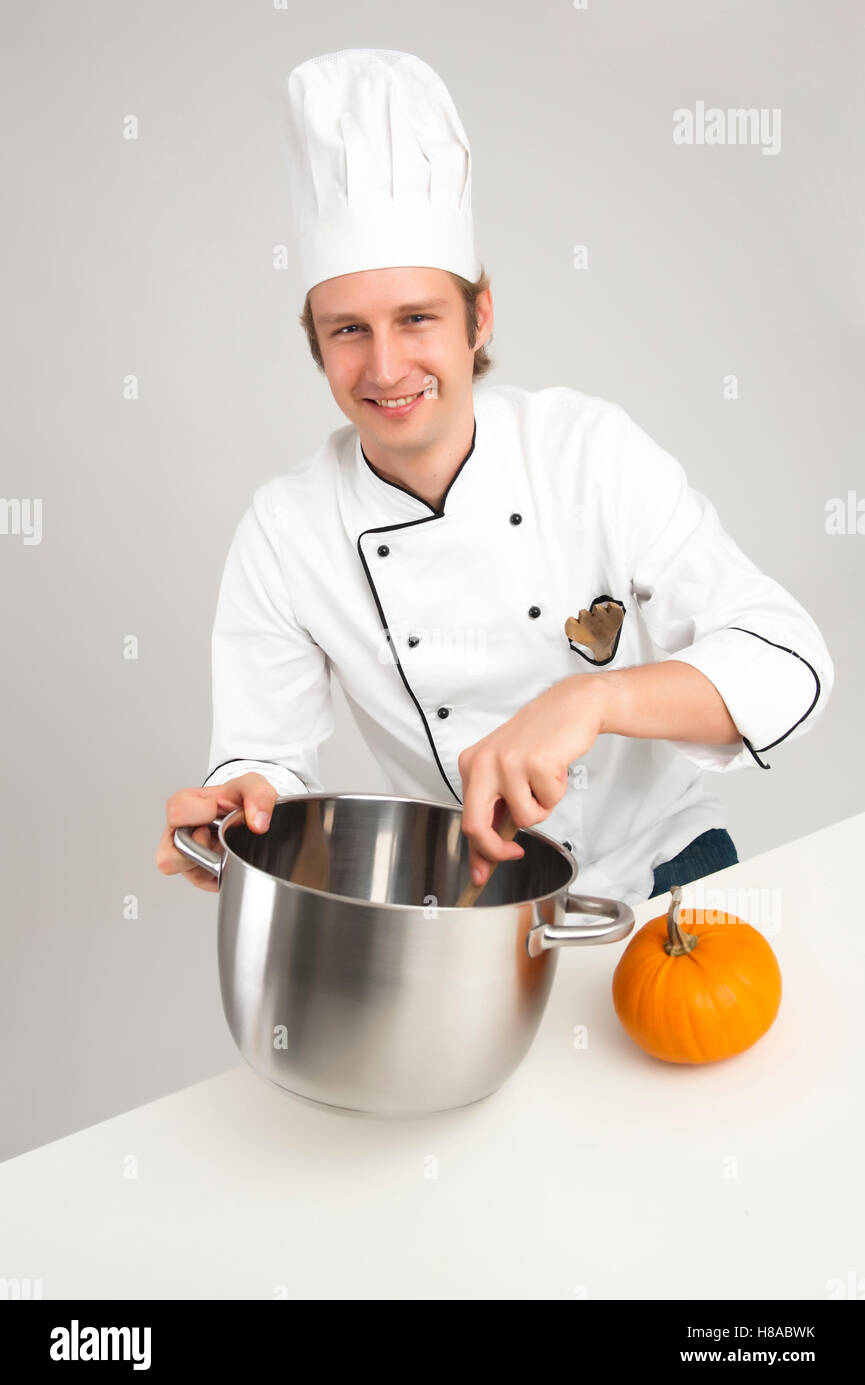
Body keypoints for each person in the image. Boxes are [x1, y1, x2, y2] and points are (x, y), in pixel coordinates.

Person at [156, 49, 833, 906]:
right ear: (317, 345)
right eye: (348, 331)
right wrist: (235, 809)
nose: (386, 365)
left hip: (670, 875)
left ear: (478, 316)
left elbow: (789, 661)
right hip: (475, 903)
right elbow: (263, 758)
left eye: (416, 318)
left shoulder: (586, 451)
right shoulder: (287, 530)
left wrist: (587, 701)